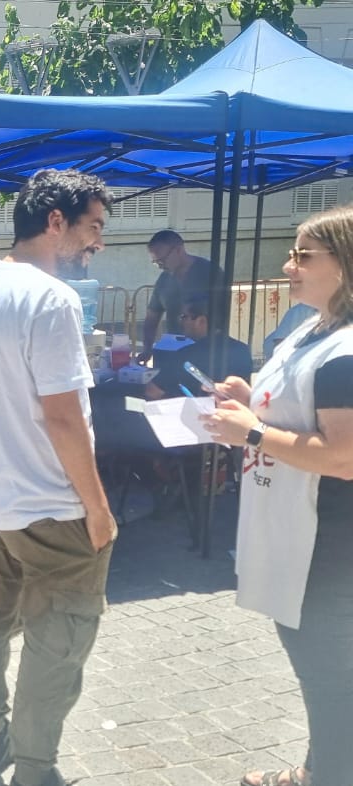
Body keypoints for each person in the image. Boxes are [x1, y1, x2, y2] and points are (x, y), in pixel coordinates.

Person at [0, 169, 118, 786]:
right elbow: (64, 417)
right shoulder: (53, 298)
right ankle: (35, 768)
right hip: (52, 502)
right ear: (56, 221)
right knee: (59, 639)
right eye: (92, 226)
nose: (98, 241)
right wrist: (97, 507)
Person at [202, 204, 353, 786]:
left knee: (330, 679)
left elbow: (342, 457)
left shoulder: (345, 350)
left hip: (327, 541)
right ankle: (318, 769)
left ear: (344, 264)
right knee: (331, 675)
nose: (288, 266)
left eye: (303, 256)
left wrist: (253, 432)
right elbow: (298, 402)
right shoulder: (314, 326)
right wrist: (251, 398)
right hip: (297, 529)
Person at [146, 295, 254, 399]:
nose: (181, 322)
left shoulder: (185, 355)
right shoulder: (242, 350)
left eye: (184, 317)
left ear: (201, 321)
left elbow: (154, 392)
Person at [139, 229, 224, 361]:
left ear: (178, 250)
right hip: (174, 349)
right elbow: (152, 317)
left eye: (162, 260)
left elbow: (225, 312)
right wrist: (147, 349)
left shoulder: (210, 273)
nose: (161, 266)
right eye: (156, 263)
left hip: (207, 351)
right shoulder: (164, 280)